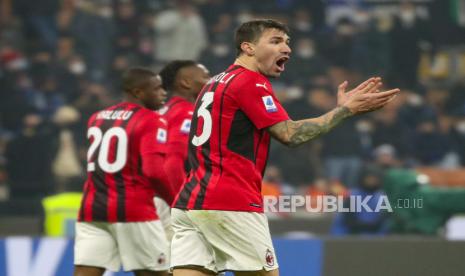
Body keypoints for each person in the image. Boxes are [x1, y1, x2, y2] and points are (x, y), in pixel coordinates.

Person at [170, 19, 400, 276]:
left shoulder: (213, 83)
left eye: (287, 43)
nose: (287, 49)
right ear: (248, 47)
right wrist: (345, 111)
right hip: (230, 200)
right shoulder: (250, 82)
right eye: (276, 41)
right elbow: (290, 134)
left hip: (190, 202)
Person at [74, 68, 174, 276]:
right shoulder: (151, 120)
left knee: (85, 272)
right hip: (134, 209)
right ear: (138, 92)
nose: (163, 92)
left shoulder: (97, 117)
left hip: (92, 209)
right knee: (156, 272)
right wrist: (174, 201)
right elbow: (154, 171)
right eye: (156, 88)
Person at [156, 60, 210, 240]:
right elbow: (172, 161)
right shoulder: (187, 112)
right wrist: (180, 203)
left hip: (151, 196)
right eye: (205, 76)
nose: (210, 81)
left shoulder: (164, 110)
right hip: (169, 198)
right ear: (186, 82)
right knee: (177, 261)